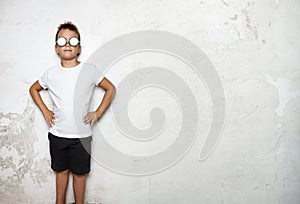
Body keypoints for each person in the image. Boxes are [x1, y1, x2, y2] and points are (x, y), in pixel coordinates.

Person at [29, 21, 116, 204]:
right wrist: (45, 110)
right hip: (57, 135)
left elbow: (111, 89)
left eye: (72, 40)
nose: (67, 44)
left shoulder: (89, 70)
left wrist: (97, 113)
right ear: (56, 48)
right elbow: (33, 89)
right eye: (62, 41)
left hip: (81, 137)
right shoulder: (51, 73)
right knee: (61, 173)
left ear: (79, 48)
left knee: (79, 175)